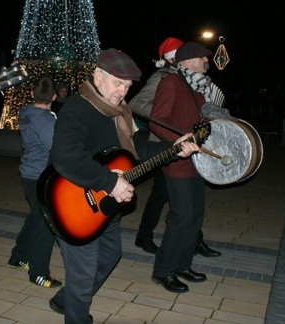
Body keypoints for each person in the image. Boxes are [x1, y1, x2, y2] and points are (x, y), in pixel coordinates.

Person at [47, 48, 199, 323]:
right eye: (118, 84)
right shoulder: (78, 108)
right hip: (73, 204)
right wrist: (110, 181)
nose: (122, 92)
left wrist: (172, 148)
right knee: (83, 272)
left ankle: (63, 300)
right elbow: (65, 157)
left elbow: (135, 148)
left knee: (111, 255)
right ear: (98, 76)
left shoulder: (120, 112)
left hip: (106, 206)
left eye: (128, 86)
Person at [129, 37, 220, 257]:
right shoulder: (164, 77)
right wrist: (170, 115)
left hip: (183, 147)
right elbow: (136, 104)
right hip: (163, 144)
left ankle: (193, 241)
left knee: (179, 202)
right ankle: (145, 236)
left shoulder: (193, 80)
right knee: (163, 197)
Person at [149, 41, 223, 293]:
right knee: (181, 218)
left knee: (195, 217)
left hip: (199, 162)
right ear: (189, 61)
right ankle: (163, 271)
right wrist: (177, 141)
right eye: (204, 58)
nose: (207, 61)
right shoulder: (171, 82)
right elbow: (156, 121)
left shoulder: (200, 87)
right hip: (179, 161)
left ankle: (183, 265)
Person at [8, 76, 62, 288]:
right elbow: (55, 149)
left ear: (32, 94)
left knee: (36, 217)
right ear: (54, 96)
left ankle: (18, 257)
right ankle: (38, 273)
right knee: (46, 225)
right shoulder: (46, 120)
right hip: (42, 176)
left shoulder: (27, 113)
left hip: (29, 173)